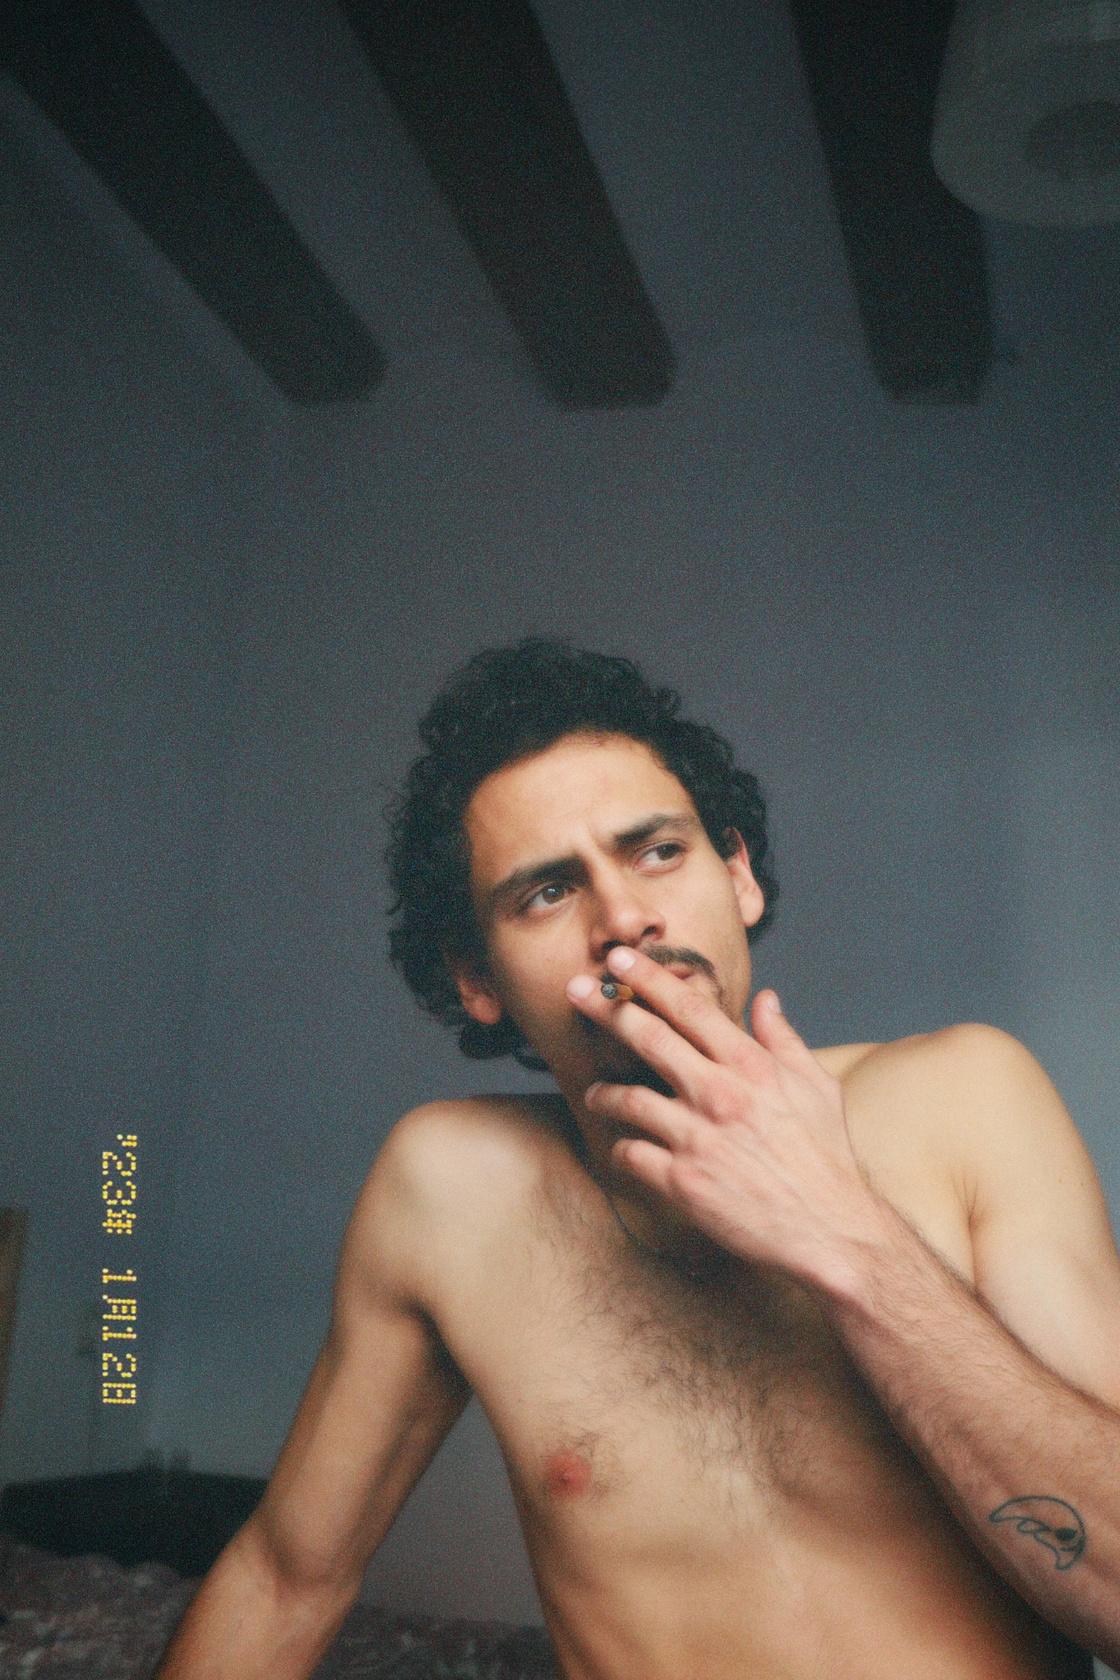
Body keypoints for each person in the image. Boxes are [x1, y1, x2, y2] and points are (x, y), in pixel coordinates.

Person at [154, 638, 1120, 1680]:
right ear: (478, 979)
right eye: (546, 893)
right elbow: (284, 1580)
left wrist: (846, 1234)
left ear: (737, 876)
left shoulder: (965, 1098)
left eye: (657, 851)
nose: (623, 921)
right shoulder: (448, 1194)